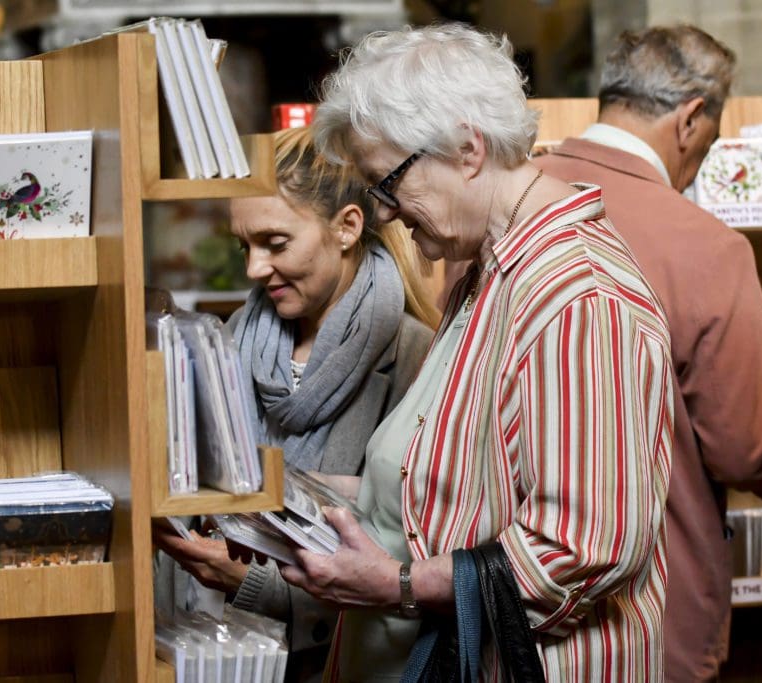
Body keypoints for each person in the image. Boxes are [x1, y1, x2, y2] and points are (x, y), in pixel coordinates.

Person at [277, 23, 676, 681]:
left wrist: (397, 584)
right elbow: (450, 485)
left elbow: (581, 549)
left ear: (467, 149)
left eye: (387, 183)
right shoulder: (486, 272)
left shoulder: (576, 295)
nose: (383, 213)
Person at [533, 25, 762, 682]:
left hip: (509, 602)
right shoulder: (706, 247)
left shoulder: (509, 203)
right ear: (692, 119)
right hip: (648, 615)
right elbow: (743, 449)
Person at [152, 125, 438, 681]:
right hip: (214, 649)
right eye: (245, 246)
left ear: (347, 229)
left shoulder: (415, 356)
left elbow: (413, 566)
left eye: (275, 243)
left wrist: (256, 585)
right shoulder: (229, 335)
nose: (253, 270)